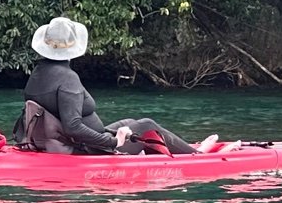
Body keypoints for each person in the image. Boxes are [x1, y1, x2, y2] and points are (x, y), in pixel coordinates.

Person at [18, 16, 213, 155]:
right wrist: (112, 142)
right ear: (73, 46)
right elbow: (73, 127)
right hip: (88, 147)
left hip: (68, 142)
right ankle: (195, 154)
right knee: (147, 125)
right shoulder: (68, 78)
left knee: (127, 122)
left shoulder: (38, 73)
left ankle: (183, 147)